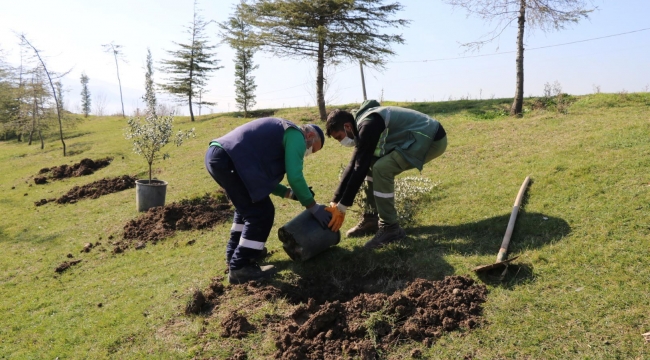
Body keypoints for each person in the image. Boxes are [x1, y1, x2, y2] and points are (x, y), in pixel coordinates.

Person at [205, 117, 331, 284]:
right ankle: (241, 266)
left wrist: (288, 193)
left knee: (247, 207)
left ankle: (237, 253)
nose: (308, 152)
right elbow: (295, 176)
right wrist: (313, 207)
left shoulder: (281, 133)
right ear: (310, 135)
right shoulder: (296, 135)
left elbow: (260, 181)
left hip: (220, 156)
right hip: (230, 159)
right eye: (312, 149)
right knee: (261, 212)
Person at [324, 100, 447, 249]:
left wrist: (342, 208)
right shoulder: (361, 124)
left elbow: (359, 168)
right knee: (372, 164)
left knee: (382, 168)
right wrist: (335, 201)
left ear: (347, 126)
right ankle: (371, 218)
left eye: (339, 137)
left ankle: (390, 228)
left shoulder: (368, 125)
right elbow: (354, 164)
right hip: (420, 136)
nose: (340, 142)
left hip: (431, 138)